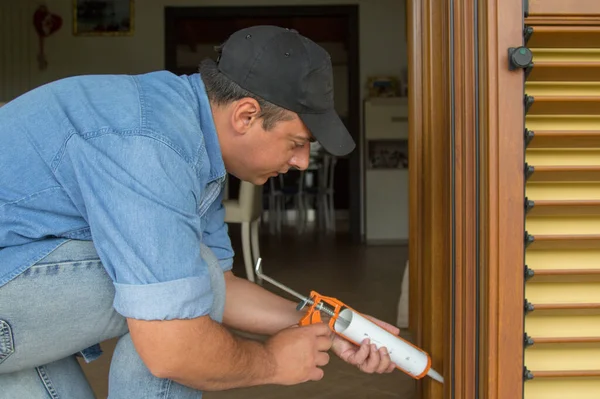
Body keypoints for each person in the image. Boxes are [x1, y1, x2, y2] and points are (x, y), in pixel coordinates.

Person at [0, 25, 399, 398]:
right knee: (180, 292)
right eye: (296, 142)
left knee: (187, 278)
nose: (299, 161)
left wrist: (325, 322)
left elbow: (221, 288)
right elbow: (174, 348)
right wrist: (272, 361)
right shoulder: (152, 145)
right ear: (245, 116)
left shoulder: (191, 134)